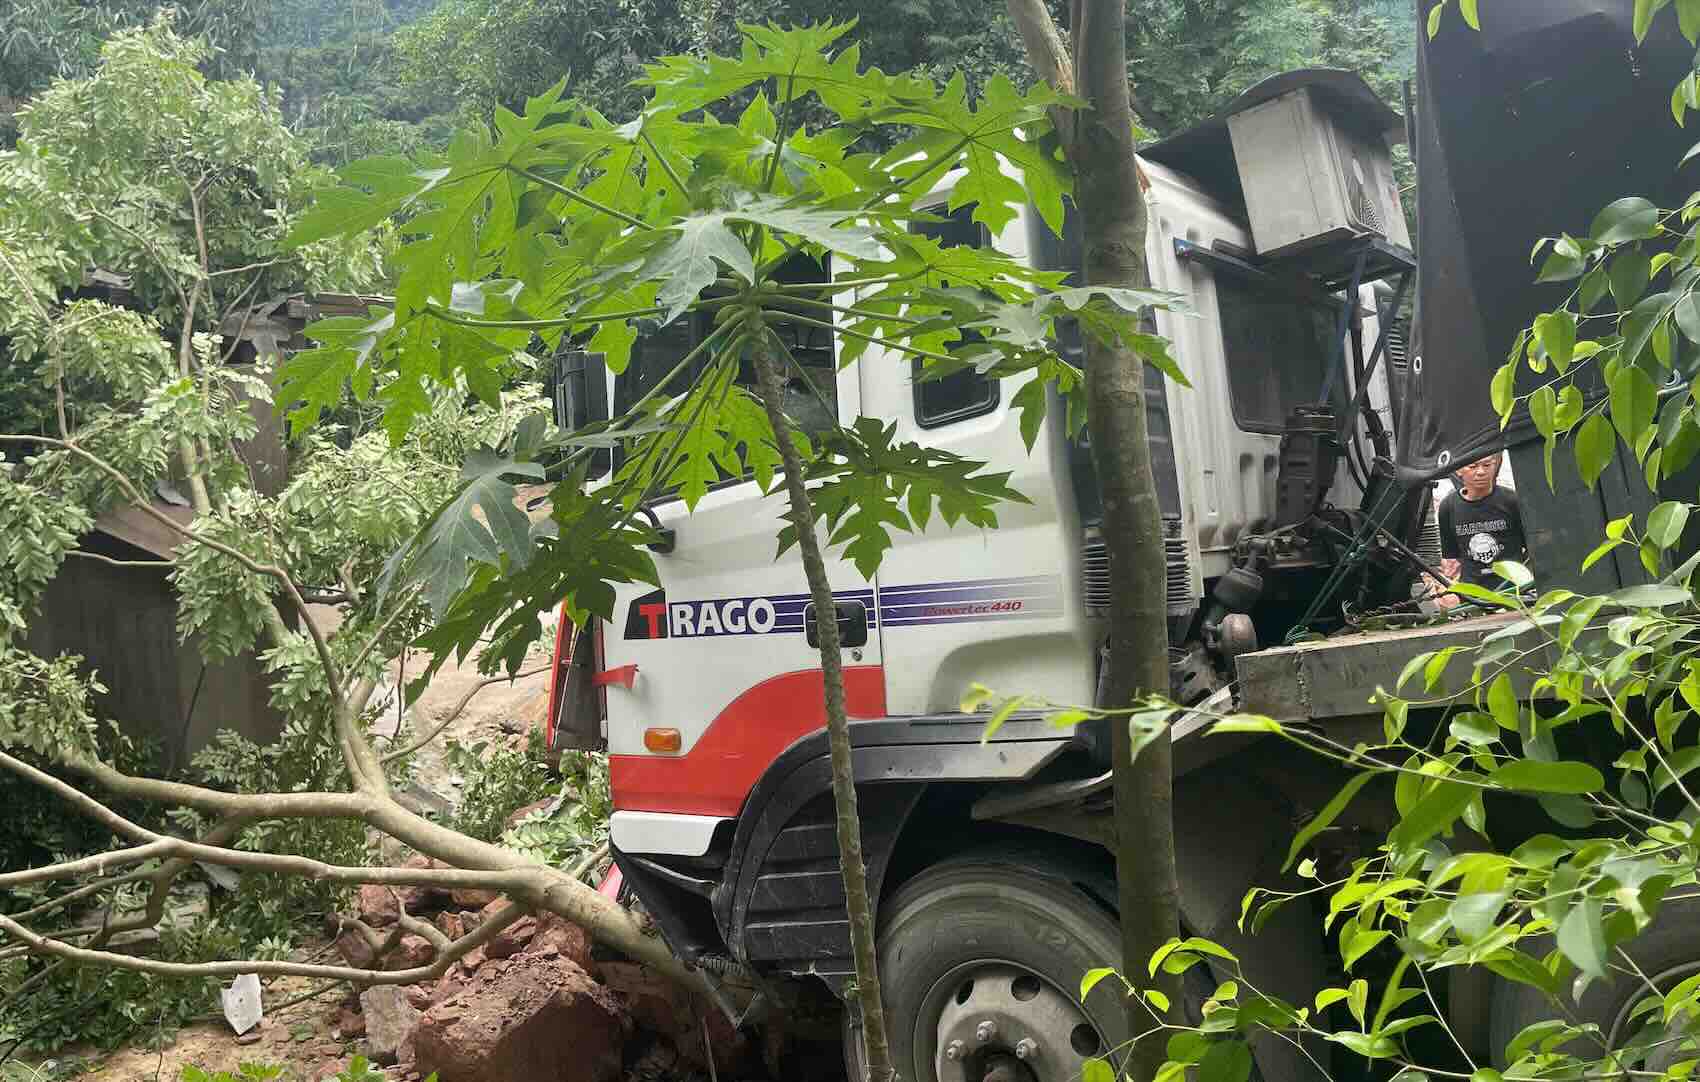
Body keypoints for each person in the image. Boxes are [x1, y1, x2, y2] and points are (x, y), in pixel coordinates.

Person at [1437, 451, 1527, 591]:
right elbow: (1453, 553)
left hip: (1514, 591)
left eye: (1487, 465)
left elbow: (1530, 548)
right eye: (1473, 467)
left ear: (1495, 465)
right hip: (1473, 594)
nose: (1481, 472)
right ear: (1459, 470)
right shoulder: (1448, 507)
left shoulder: (1511, 501)